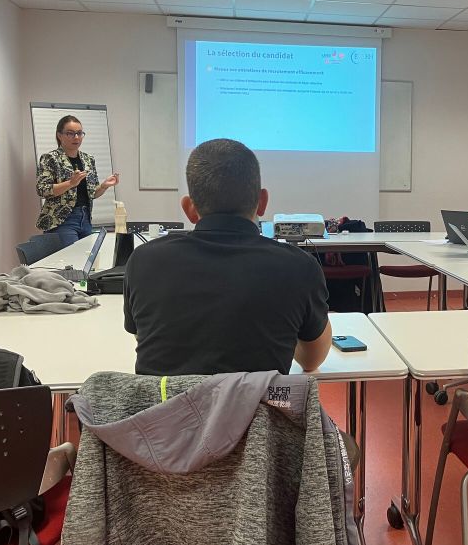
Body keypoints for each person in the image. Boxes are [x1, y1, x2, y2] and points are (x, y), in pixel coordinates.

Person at [124, 138, 331, 376]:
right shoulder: (299, 267)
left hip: (165, 413)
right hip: (257, 413)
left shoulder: (143, 261)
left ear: (189, 208)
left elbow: (144, 338)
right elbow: (312, 360)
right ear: (262, 202)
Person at [35, 115, 119, 246]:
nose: (76, 137)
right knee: (71, 263)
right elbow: (43, 190)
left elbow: (92, 194)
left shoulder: (88, 159)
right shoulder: (50, 158)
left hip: (85, 218)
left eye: (79, 133)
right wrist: (70, 183)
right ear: (59, 135)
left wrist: (103, 186)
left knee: (86, 262)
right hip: (62, 220)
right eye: (70, 133)